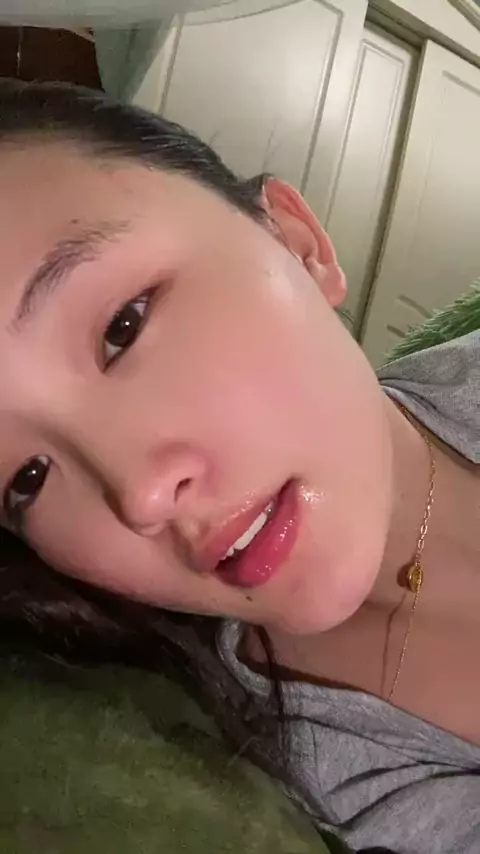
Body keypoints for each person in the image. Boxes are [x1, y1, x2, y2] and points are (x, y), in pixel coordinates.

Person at [0, 79, 478, 854]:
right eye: (28, 479)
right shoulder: (280, 794)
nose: (142, 495)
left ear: (295, 241)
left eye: (124, 327)